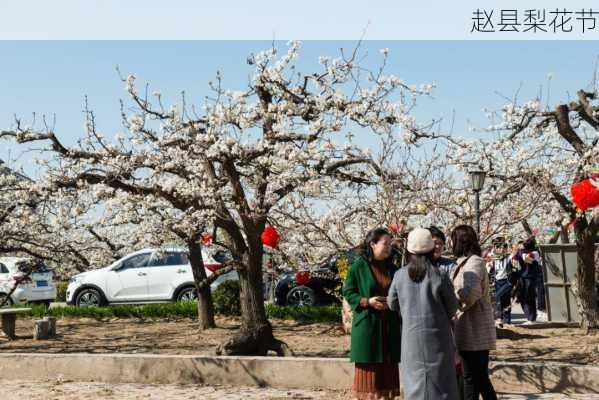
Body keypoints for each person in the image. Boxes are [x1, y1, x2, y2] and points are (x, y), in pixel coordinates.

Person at [387, 228, 459, 400]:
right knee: (442, 384)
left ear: (409, 250)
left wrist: (407, 311)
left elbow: (392, 303)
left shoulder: (399, 276)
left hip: (411, 338)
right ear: (430, 249)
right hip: (438, 338)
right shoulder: (439, 275)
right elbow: (452, 307)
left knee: (414, 384)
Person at [342, 228, 402, 400]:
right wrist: (366, 301)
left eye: (390, 243)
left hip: (389, 325)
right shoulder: (358, 267)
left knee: (388, 377)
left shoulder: (393, 268)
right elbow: (348, 291)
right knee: (369, 382)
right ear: (373, 244)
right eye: (385, 243)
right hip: (368, 327)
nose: (389, 247)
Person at [450, 225, 497, 400]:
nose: (451, 242)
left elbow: (471, 293)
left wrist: (456, 305)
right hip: (467, 328)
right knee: (475, 377)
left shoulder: (474, 261)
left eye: (453, 238)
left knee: (475, 377)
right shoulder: (464, 261)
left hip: (475, 327)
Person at [488, 236, 516, 326]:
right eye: (498, 248)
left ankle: (500, 318)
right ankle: (506, 320)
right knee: (505, 301)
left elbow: (514, 254)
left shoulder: (509, 257)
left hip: (507, 282)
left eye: (503, 248)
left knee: (498, 297)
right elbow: (491, 268)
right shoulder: (494, 258)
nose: (501, 250)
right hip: (497, 282)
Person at [513, 237, 542, 323]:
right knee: (522, 297)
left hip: (530, 278)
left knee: (529, 298)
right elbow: (514, 260)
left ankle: (531, 318)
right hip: (522, 278)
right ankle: (529, 316)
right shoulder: (521, 252)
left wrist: (520, 252)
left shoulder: (535, 253)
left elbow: (527, 259)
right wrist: (517, 253)